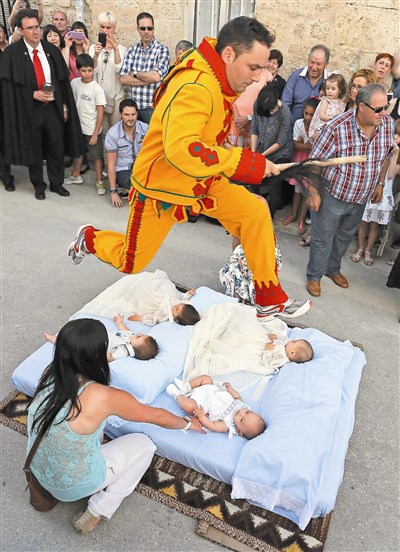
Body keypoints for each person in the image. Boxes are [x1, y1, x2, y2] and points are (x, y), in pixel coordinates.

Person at [68, 17, 312, 320]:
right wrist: (245, 163)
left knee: (255, 211)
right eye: (254, 67)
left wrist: (249, 159)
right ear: (228, 55)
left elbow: (203, 140)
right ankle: (88, 238)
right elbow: (182, 150)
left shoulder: (215, 73)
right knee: (130, 262)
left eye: (263, 68)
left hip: (200, 178)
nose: (259, 78)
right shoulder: (197, 86)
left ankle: (267, 296)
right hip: (162, 187)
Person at [27, 319, 204, 535]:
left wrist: (113, 355)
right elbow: (156, 416)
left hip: (37, 470)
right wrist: (188, 423)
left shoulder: (51, 374)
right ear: (96, 355)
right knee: (145, 445)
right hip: (71, 487)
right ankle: (98, 509)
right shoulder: (104, 396)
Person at [305, 84, 394, 297]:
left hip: (361, 196)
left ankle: (332, 269)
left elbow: (386, 156)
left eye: (386, 107)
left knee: (344, 237)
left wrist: (380, 184)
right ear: (362, 106)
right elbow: (314, 162)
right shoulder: (336, 128)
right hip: (332, 194)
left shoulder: (387, 124)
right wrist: (314, 193)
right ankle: (314, 275)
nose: (384, 113)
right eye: (379, 109)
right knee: (322, 238)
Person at [0, 9, 83, 199]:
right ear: (21, 30)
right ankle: (38, 185)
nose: (36, 31)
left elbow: (62, 82)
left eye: (37, 27)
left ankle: (57, 183)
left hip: (52, 107)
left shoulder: (51, 50)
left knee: (56, 146)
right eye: (30, 28)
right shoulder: (12, 53)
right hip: (28, 110)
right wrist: (32, 94)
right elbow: (9, 88)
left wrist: (64, 105)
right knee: (34, 148)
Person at [351, 120, 400, 265]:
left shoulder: (398, 155)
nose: (395, 137)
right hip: (369, 188)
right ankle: (360, 248)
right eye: (394, 133)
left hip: (384, 192)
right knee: (363, 222)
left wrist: (395, 154)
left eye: (399, 135)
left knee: (374, 225)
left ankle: (368, 250)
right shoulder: (379, 146)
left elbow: (391, 175)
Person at [166, 375, 266, 440]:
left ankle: (177, 394)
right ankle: (186, 386)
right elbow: (237, 397)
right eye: (247, 412)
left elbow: (212, 425)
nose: (241, 413)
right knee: (207, 378)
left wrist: (201, 416)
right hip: (211, 390)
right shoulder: (243, 406)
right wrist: (230, 389)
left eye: (242, 420)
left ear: (239, 431)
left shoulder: (228, 425)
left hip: (201, 403)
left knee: (189, 406)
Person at [64, 54, 107, 195]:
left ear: (93, 70)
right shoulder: (74, 83)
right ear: (78, 70)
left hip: (91, 129)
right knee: (78, 152)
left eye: (90, 70)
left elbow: (101, 113)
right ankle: (76, 175)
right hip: (78, 127)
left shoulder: (97, 89)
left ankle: (99, 181)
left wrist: (95, 134)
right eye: (83, 70)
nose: (87, 74)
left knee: (97, 157)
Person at [250, 83, 294, 218]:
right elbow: (254, 129)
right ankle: (253, 211)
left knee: (275, 184)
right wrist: (253, 153)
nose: (269, 112)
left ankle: (268, 217)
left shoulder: (285, 112)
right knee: (254, 180)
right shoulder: (258, 104)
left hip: (281, 153)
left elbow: (280, 142)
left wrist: (261, 155)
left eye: (271, 109)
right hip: (262, 148)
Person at [119, 12, 170, 124]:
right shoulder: (132, 50)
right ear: (138, 29)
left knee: (152, 136)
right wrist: (147, 79)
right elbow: (123, 79)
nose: (146, 31)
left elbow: (156, 77)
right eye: (143, 28)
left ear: (154, 29)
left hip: (152, 107)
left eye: (149, 28)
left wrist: (135, 73)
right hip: (133, 109)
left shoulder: (162, 50)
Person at [44, 313, 159, 361]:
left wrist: (104, 355)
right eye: (142, 335)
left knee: (76, 345)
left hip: (96, 345)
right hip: (99, 335)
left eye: (139, 337)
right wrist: (119, 322)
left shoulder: (124, 352)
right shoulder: (132, 337)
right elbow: (126, 331)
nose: (139, 334)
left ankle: (57, 340)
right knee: (84, 329)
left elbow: (110, 358)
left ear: (134, 349)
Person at [283, 97, 320, 236]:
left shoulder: (319, 127)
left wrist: (303, 144)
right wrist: (307, 145)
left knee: (307, 191)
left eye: (312, 114)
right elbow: (296, 145)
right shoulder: (298, 123)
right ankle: (293, 214)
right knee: (297, 189)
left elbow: (310, 146)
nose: (308, 117)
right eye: (306, 113)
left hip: (311, 162)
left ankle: (301, 219)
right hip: (300, 160)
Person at [105, 99, 148, 208]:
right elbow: (111, 164)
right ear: (120, 114)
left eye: (133, 114)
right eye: (126, 115)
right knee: (137, 194)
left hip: (141, 166)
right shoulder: (112, 134)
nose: (130, 118)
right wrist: (113, 192)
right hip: (123, 168)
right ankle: (122, 187)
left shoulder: (146, 128)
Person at [89, 11, 127, 132]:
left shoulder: (122, 49)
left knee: (116, 130)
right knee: (103, 131)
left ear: (114, 29)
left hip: (116, 96)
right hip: (99, 97)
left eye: (108, 27)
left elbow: (118, 69)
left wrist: (115, 49)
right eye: (102, 27)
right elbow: (92, 71)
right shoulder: (93, 48)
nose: (105, 31)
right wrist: (96, 54)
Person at [281, 44, 330, 122]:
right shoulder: (296, 76)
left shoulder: (329, 81)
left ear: (326, 64)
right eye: (312, 62)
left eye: (318, 64)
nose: (314, 67)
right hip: (294, 126)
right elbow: (285, 105)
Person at [308, 73, 347, 142]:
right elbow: (322, 115)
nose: (329, 91)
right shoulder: (326, 100)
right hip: (323, 126)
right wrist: (333, 119)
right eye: (327, 88)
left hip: (334, 128)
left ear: (340, 90)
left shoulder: (342, 101)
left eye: (333, 89)